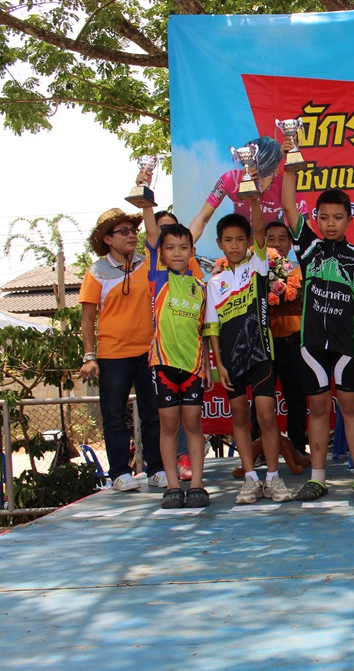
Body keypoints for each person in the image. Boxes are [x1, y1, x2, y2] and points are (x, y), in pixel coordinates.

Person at [281, 164, 354, 502]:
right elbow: (288, 207)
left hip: (346, 347)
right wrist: (290, 167)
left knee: (350, 406)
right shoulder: (309, 249)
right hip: (311, 347)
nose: (331, 223)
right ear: (316, 220)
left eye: (338, 217)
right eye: (324, 218)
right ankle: (318, 478)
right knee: (319, 407)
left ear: (349, 219)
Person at [204, 200, 296, 504]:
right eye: (228, 240)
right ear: (219, 243)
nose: (234, 245)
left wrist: (254, 198)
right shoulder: (214, 283)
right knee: (240, 417)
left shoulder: (257, 266)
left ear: (248, 243)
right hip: (231, 360)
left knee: (266, 415)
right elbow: (212, 327)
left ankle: (273, 478)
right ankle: (250, 479)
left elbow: (259, 228)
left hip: (260, 355)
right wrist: (219, 364)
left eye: (240, 239)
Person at [79, 209, 166, 491]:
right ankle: (119, 473)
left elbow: (154, 237)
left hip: (149, 352)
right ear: (108, 239)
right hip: (112, 355)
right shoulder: (95, 272)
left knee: (154, 413)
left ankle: (156, 469)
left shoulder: (148, 263)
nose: (131, 235)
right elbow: (87, 319)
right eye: (124, 231)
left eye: (133, 230)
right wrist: (89, 357)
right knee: (114, 415)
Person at [141, 211, 212, 508]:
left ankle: (197, 484)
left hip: (193, 367)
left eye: (183, 248)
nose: (177, 253)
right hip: (163, 365)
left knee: (193, 423)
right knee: (169, 425)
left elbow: (204, 331)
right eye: (170, 248)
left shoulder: (202, 287)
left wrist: (208, 367)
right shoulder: (157, 279)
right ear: (162, 253)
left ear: (192, 251)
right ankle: (172, 485)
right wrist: (146, 204)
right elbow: (151, 235)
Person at [187, 136, 306, 243]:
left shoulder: (284, 185)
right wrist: (187, 247)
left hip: (270, 245)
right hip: (242, 243)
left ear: (276, 171)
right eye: (254, 174)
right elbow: (203, 217)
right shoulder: (231, 179)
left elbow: (305, 226)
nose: (258, 181)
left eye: (263, 176)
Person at [265, 220, 310, 457]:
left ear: (290, 243)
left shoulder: (299, 273)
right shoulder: (257, 273)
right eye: (271, 239)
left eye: (282, 239)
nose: (277, 243)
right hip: (267, 345)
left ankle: (297, 445)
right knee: (263, 399)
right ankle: (260, 446)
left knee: (297, 397)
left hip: (294, 342)